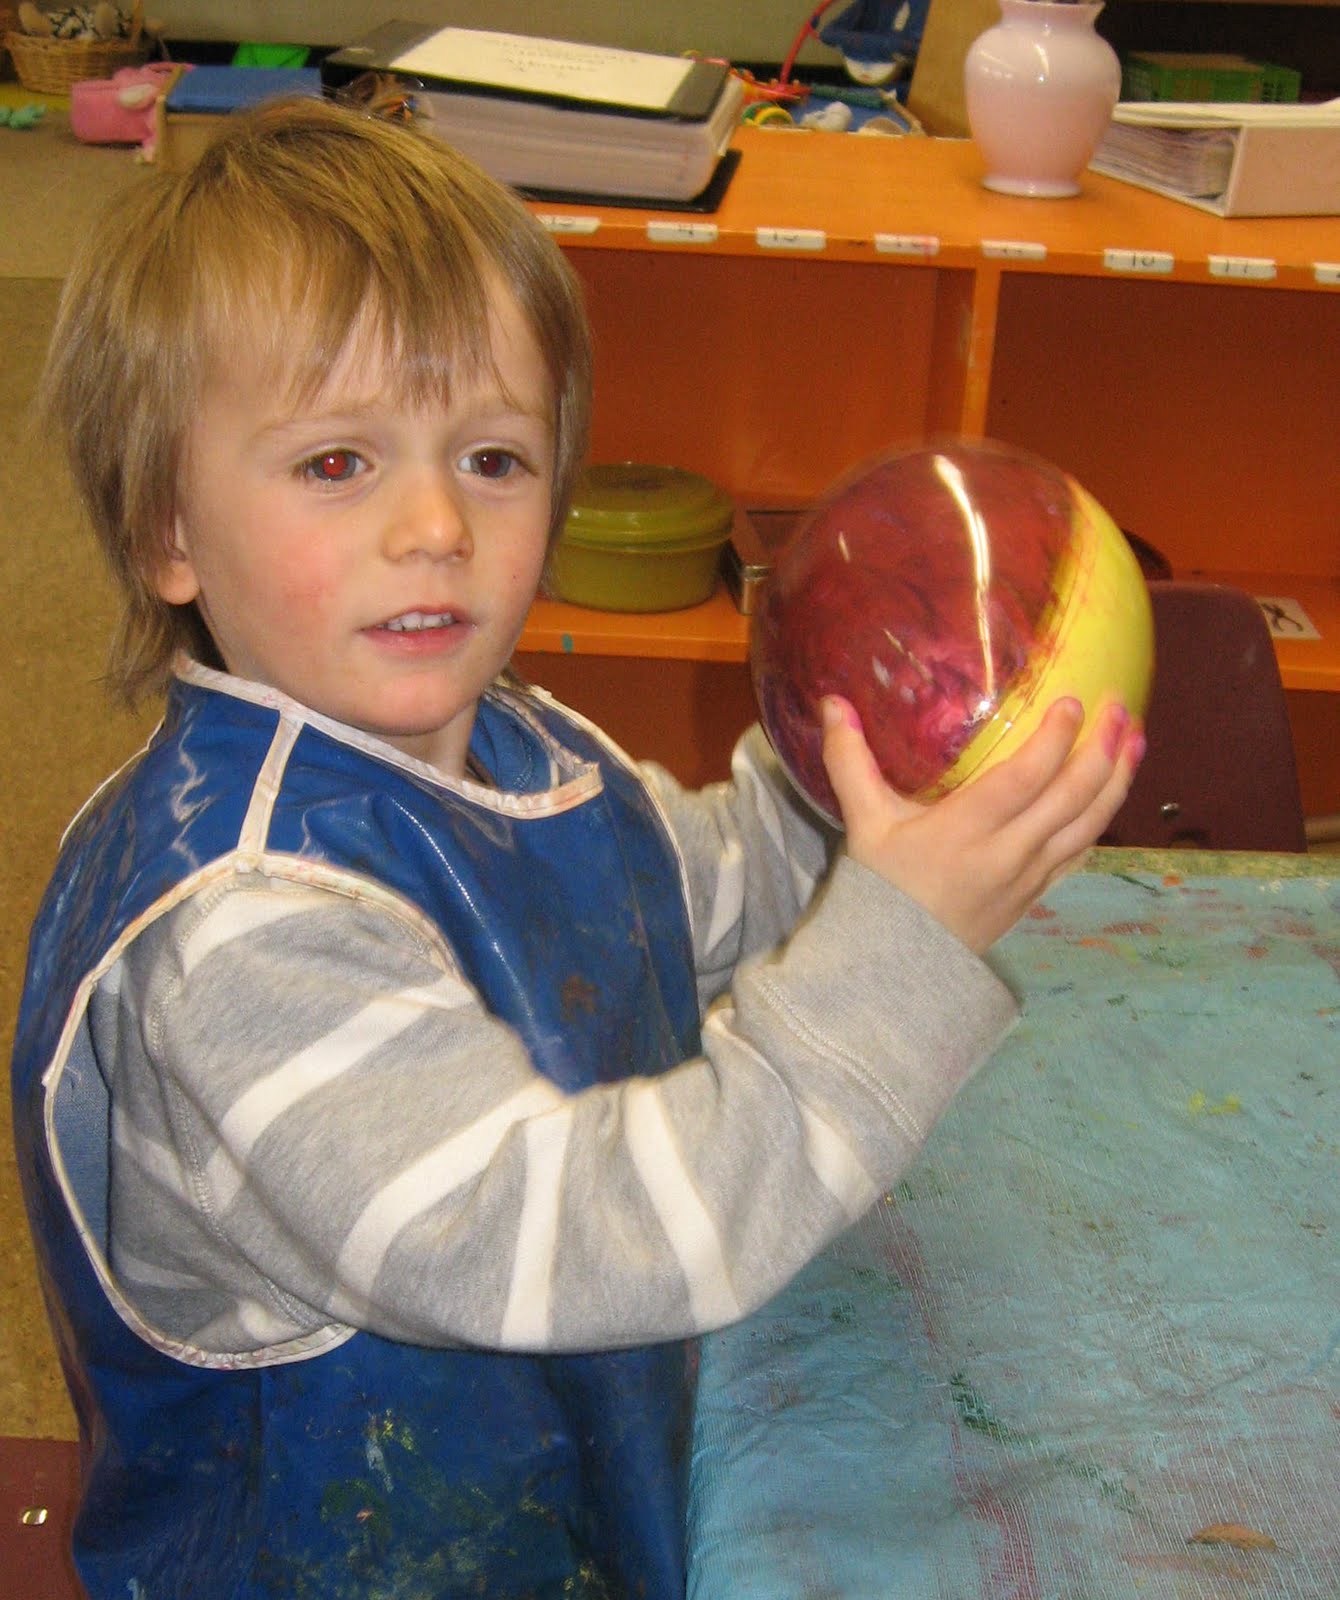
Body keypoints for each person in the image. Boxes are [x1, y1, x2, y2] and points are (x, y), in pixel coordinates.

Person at [13, 97, 1143, 1599]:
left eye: (492, 457)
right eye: (338, 463)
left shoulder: (518, 746)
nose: (435, 525)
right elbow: (578, 1235)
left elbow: (662, 894)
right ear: (167, 529)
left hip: (548, 1502)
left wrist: (867, 802)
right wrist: (897, 960)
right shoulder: (238, 933)